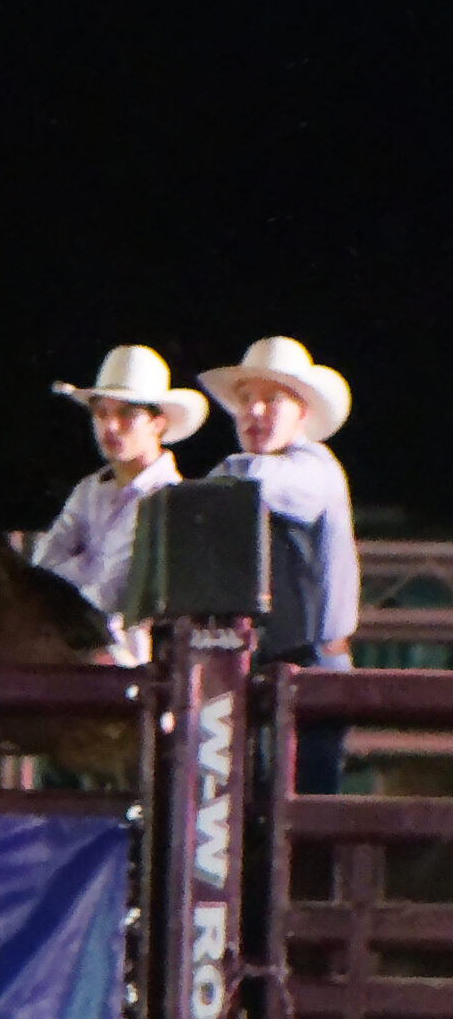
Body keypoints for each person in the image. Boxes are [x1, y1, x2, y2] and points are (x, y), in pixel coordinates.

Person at [199, 336, 357, 794]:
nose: (255, 412)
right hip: (266, 660)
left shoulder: (313, 466)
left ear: (301, 413)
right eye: (247, 400)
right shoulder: (251, 471)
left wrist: (223, 477)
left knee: (305, 796)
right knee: (263, 798)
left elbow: (272, 489)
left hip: (313, 660)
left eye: (272, 400)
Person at [35, 345, 207, 664]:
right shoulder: (90, 489)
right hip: (80, 654)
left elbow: (109, 595)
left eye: (126, 414)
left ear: (158, 423)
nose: (110, 426)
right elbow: (43, 567)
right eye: (101, 413)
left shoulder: (172, 501)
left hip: (130, 670)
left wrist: (73, 571)